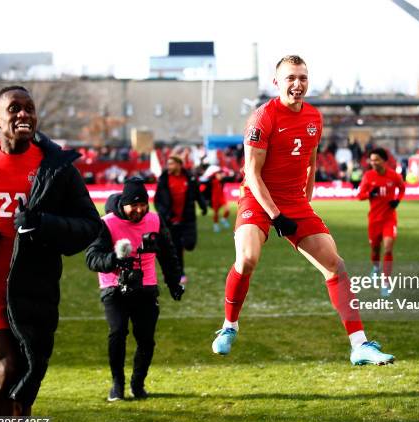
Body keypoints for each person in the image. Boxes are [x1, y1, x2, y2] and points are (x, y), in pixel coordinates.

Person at [211, 55, 395, 366]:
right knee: (247, 258)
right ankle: (229, 326)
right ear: (277, 82)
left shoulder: (314, 117)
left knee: (335, 266)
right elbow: (252, 174)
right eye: (291, 78)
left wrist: (304, 201)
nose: (298, 84)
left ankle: (359, 345)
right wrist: (275, 214)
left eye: (303, 78)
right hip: (258, 198)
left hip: (294, 202)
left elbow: (309, 159)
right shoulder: (262, 118)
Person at [0, 86, 101, 422]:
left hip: (34, 290)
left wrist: (43, 224)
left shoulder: (56, 168)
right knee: (7, 365)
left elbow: (89, 225)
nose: (23, 115)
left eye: (29, 109)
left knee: (24, 382)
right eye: (14, 109)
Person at [85, 177, 185, 402]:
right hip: (114, 286)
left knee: (146, 339)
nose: (139, 210)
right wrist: (115, 260)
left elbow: (168, 255)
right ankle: (117, 385)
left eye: (143, 205)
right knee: (118, 333)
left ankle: (137, 384)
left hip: (146, 286)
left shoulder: (155, 220)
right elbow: (92, 258)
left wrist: (173, 283)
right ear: (123, 202)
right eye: (134, 205)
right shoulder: (106, 223)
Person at [357, 148, 405, 297]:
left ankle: (386, 282)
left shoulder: (394, 176)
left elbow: (402, 188)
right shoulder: (368, 176)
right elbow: (359, 196)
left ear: (384, 161)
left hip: (389, 219)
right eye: (371, 160)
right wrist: (368, 194)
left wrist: (397, 200)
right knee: (375, 249)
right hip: (374, 220)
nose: (373, 163)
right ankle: (376, 267)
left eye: (376, 159)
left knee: (388, 248)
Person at [154, 154, 207, 285]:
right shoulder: (163, 179)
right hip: (171, 220)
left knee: (189, 244)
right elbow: (157, 200)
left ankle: (183, 244)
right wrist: (165, 214)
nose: (169, 166)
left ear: (179, 164)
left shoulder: (189, 178)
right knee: (176, 249)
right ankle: (180, 273)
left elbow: (197, 194)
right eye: (168, 164)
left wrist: (202, 205)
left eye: (171, 163)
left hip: (188, 218)